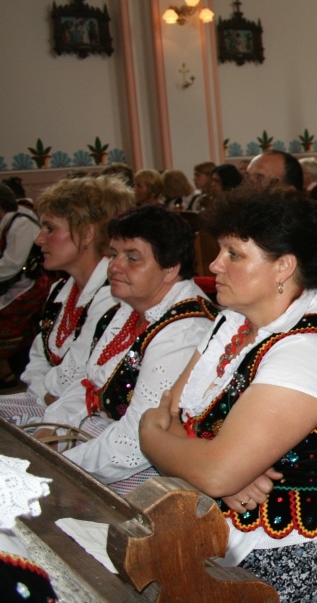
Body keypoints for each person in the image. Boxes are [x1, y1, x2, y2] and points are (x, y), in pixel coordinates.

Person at [139, 186, 317, 601]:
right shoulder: (232, 324)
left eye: (234, 254)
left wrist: (151, 436)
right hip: (213, 525)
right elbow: (171, 413)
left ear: (284, 267)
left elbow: (194, 454)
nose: (214, 264)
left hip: (285, 553)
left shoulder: (311, 351)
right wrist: (215, 465)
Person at [38, 206, 218, 484]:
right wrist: (49, 432)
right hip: (102, 440)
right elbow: (89, 384)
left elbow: (134, 443)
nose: (115, 266)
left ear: (170, 269)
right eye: (113, 254)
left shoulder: (184, 332)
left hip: (154, 470)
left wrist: (55, 468)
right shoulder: (127, 308)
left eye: (132, 258)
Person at [13, 176, 135, 410]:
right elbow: (36, 362)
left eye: (50, 228)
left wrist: (49, 395)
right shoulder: (60, 290)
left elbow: (76, 380)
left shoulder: (114, 296)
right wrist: (45, 395)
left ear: (87, 233)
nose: (39, 239)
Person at [0, 184, 46, 389]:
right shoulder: (4, 224)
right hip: (16, 281)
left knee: (0, 315)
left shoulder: (21, 223)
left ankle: (5, 369)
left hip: (32, 283)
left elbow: (12, 264)